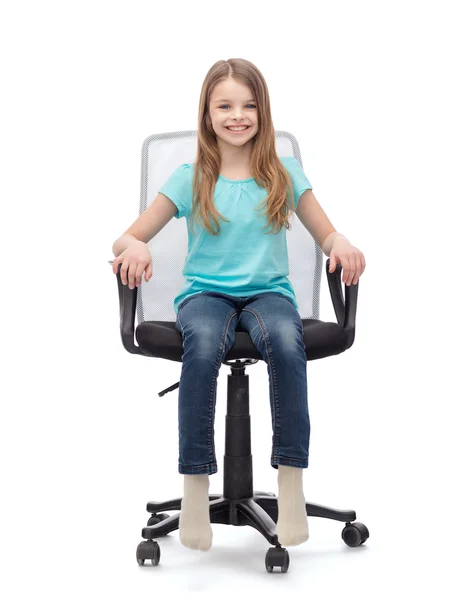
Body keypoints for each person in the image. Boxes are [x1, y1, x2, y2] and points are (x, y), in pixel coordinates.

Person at [111, 58, 366, 553]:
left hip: (269, 293)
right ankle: (195, 484)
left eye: (249, 105)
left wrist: (342, 243)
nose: (237, 115)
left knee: (287, 344)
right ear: (207, 113)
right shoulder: (190, 177)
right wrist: (135, 247)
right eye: (225, 105)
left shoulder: (284, 172)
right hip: (205, 295)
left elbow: (327, 231)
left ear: (262, 112)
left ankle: (290, 481)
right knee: (203, 343)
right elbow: (125, 238)